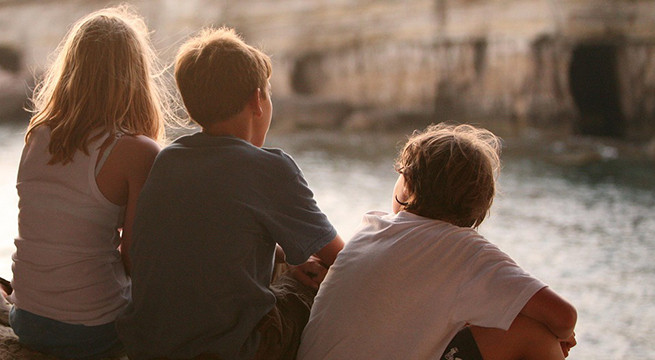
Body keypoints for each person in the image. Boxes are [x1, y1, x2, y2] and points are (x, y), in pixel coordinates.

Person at [115, 27, 344, 360]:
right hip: (233, 351)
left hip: (149, 346)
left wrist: (287, 257)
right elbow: (342, 258)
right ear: (257, 100)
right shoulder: (270, 168)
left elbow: (205, 236)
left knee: (287, 268)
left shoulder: (168, 159)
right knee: (309, 287)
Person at [297, 123, 578, 360]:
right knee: (534, 335)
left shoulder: (372, 226)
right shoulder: (468, 253)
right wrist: (562, 338)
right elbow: (564, 317)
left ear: (407, 185)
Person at [6, 5, 178, 359]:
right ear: (135, 75)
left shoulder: (38, 134)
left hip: (27, 319)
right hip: (94, 332)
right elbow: (137, 262)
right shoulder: (136, 151)